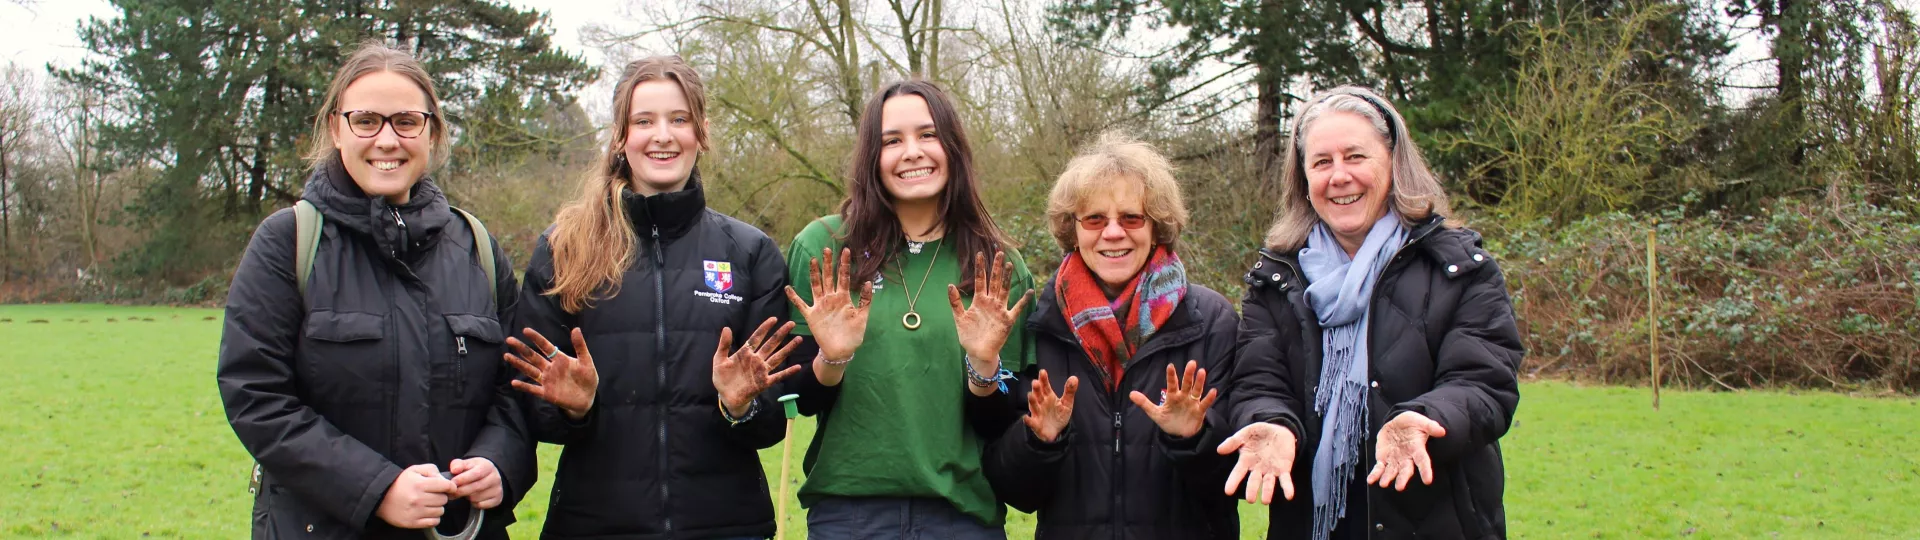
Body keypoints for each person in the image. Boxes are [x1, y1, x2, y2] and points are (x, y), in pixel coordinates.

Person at [218, 42, 532, 539]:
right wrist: (377, 488)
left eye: (406, 121)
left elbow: (515, 390)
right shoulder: (288, 242)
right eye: (367, 120)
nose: (388, 139)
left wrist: (499, 463)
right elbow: (256, 395)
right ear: (336, 129)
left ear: (432, 132)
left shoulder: (478, 249)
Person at [500, 55, 801, 540]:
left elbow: (769, 423)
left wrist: (740, 406)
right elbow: (533, 409)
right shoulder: (565, 249)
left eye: (678, 119)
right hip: (593, 525)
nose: (663, 135)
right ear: (621, 136)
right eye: (644, 121)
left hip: (728, 525)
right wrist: (575, 408)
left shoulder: (750, 253)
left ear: (700, 132)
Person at [1220, 85, 1525, 540]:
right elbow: (1258, 383)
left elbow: (1484, 383)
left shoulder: (1458, 268)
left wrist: (1428, 417)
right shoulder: (1276, 280)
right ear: (1303, 180)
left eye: (1356, 157)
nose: (1339, 176)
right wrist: (1272, 423)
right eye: (1322, 162)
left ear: (1393, 163)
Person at [780, 79, 1035, 539]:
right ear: (871, 159)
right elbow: (797, 401)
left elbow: (1001, 422)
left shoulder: (997, 265)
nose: (912, 152)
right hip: (848, 517)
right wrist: (830, 360)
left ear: (953, 147)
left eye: (928, 135)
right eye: (892, 141)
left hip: (962, 518)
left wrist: (983, 368)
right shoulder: (822, 247)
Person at [981, 132, 1244, 539]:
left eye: (1131, 218)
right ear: (1075, 229)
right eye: (1095, 219)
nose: (1113, 232)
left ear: (1156, 226)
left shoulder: (1211, 320)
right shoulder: (1041, 321)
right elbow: (1014, 491)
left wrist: (1193, 438)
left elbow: (1233, 483)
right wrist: (1040, 440)